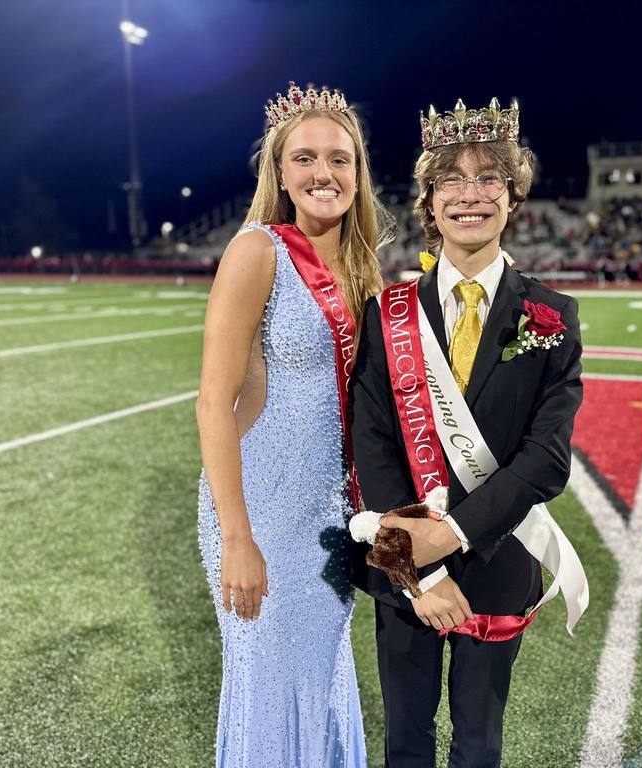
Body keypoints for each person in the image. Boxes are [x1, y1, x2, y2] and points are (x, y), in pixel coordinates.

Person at [351, 98, 586, 767]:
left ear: (513, 197)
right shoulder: (387, 313)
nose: (470, 195)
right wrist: (416, 569)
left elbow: (547, 458)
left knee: (480, 746)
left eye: (489, 178)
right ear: (429, 202)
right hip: (403, 571)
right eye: (450, 179)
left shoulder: (553, 315)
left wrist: (450, 536)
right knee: (405, 743)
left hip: (496, 559)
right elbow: (372, 442)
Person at [195, 82, 391, 768]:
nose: (322, 174)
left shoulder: (364, 266)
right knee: (272, 689)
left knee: (321, 680)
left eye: (339, 159)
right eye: (304, 158)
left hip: (332, 517)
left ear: (358, 172)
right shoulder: (259, 252)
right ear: (279, 172)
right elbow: (212, 403)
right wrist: (237, 539)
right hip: (263, 513)